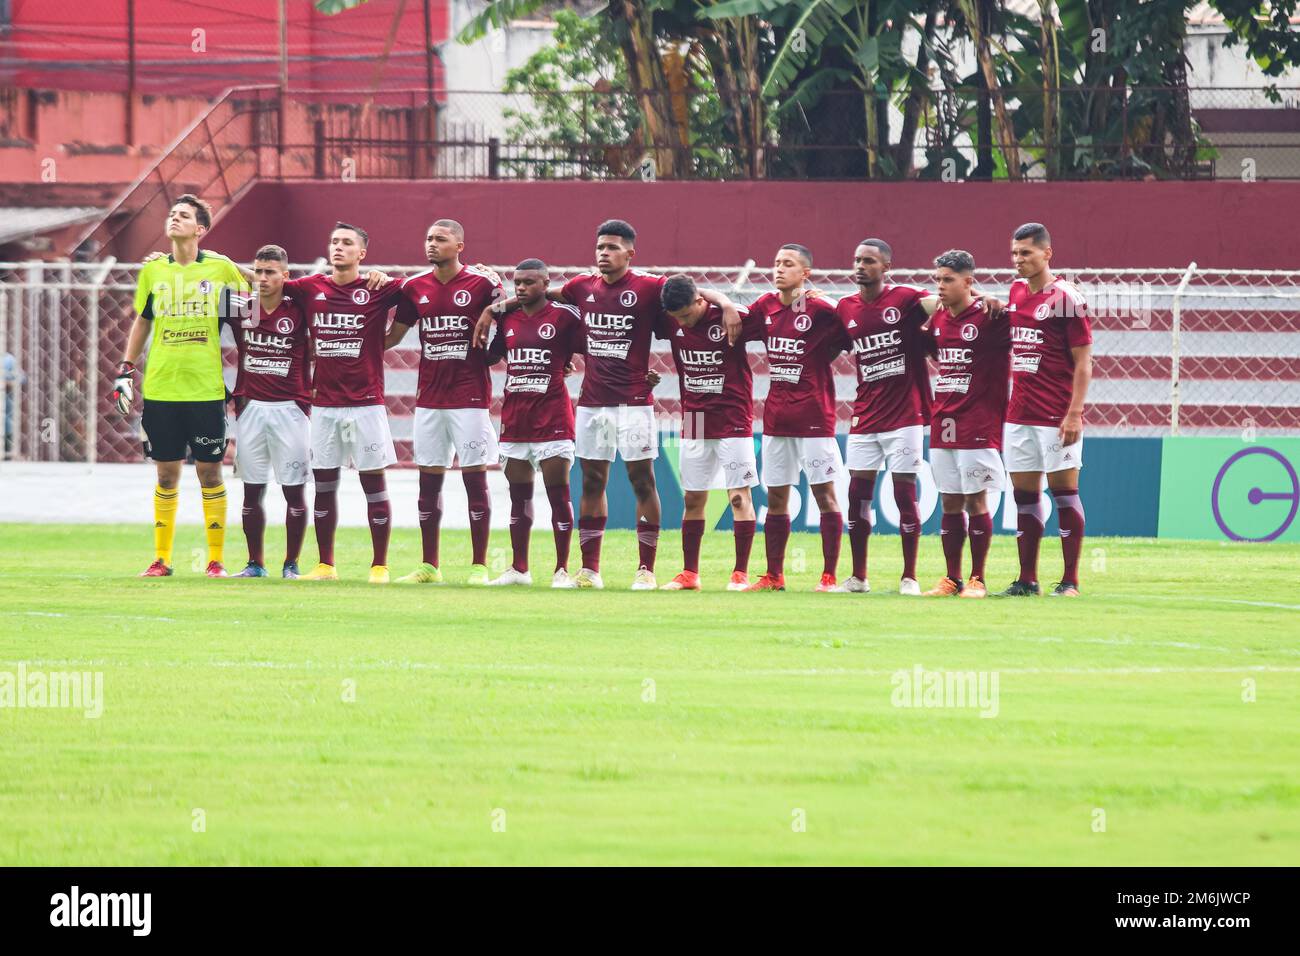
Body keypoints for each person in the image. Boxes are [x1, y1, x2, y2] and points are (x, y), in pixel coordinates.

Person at [112, 194, 248, 577]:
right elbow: (142, 320)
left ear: (200, 229)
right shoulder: (153, 271)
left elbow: (255, 289)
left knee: (210, 473)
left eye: (184, 215)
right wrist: (126, 368)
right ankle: (161, 559)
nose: (174, 218)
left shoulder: (220, 267)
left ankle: (216, 560)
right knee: (166, 475)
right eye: (172, 214)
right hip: (161, 389)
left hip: (205, 389)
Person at [281, 222, 404, 583]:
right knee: (324, 484)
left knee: (373, 482)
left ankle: (379, 565)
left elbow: (423, 289)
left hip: (366, 402)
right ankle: (326, 565)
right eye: (334, 241)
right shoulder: (310, 287)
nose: (338, 247)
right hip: (325, 406)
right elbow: (267, 282)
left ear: (362, 253)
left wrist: (484, 273)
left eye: (347, 243)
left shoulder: (377, 288)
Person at [386, 219, 502, 585]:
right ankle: (429, 566)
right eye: (428, 239)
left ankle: (479, 565)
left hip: (469, 397)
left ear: (460, 246)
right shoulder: (414, 287)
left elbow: (512, 307)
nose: (432, 244)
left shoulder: (483, 283)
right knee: (428, 482)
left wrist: (492, 305)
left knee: (474, 481)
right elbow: (392, 337)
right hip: (430, 398)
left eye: (440, 239)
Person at [746, 244, 849, 592]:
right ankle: (774, 575)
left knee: (824, 494)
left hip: (815, 418)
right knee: (776, 498)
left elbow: (854, 326)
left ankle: (829, 576)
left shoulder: (821, 308)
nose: (778, 269)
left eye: (788, 264)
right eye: (776, 263)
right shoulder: (765, 307)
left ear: (805, 273)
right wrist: (727, 305)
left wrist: (826, 348)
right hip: (776, 419)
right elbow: (737, 326)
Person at [999, 222, 1092, 598]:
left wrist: (1075, 413)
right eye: (1015, 253)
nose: (1018, 260)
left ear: (1047, 254)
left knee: (1064, 493)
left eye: (1026, 253)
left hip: (1055, 416)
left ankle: (1070, 580)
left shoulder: (1066, 297)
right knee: (1024, 497)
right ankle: (1027, 579)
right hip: (1019, 414)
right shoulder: (1017, 291)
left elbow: (1084, 362)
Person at [481, 259, 586, 587]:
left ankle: (561, 571)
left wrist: (565, 364)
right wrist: (489, 308)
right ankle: (519, 569)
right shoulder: (508, 318)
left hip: (553, 417)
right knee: (518, 496)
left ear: (545, 284)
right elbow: (491, 356)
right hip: (515, 419)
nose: (522, 287)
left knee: (559, 495)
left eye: (529, 282)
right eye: (518, 283)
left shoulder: (565, 317)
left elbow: (590, 347)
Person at [655, 274, 763, 591]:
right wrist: (723, 298)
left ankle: (740, 574)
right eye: (678, 318)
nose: (683, 323)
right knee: (693, 498)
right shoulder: (672, 318)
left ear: (700, 302)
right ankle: (690, 573)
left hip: (733, 418)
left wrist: (727, 304)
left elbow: (768, 318)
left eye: (688, 315)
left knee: (739, 498)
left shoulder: (729, 319)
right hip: (696, 420)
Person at [923, 250, 1011, 598]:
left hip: (978, 421)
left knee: (976, 502)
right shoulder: (940, 318)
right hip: (943, 421)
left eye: (948, 280)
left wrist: (996, 300)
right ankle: (952, 578)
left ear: (968, 282)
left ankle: (978, 579)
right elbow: (934, 350)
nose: (941, 287)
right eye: (938, 280)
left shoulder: (991, 316)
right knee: (949, 503)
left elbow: (1025, 325)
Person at [225, 244, 312, 579]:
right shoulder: (241, 308)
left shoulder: (301, 308)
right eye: (257, 271)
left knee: (293, 490)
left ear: (285, 276)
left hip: (291, 409)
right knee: (252, 489)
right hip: (251, 409)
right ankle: (255, 563)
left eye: (270, 272)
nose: (262, 278)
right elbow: (199, 285)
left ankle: (291, 564)